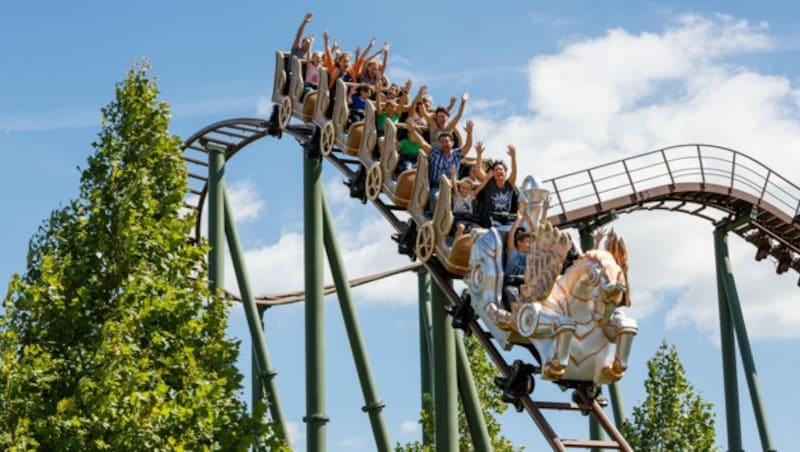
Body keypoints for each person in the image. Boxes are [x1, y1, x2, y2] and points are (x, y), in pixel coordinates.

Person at [408, 119, 474, 211]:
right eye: (442, 142)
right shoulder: (435, 153)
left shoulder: (457, 154)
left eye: (446, 142)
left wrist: (469, 133)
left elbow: (468, 146)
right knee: (436, 197)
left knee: (466, 199)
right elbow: (422, 143)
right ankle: (435, 219)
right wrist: (413, 130)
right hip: (437, 186)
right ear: (439, 144)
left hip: (453, 186)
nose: (444, 144)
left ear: (452, 143)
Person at [474, 141, 519, 228]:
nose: (499, 171)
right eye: (496, 170)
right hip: (490, 220)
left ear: (505, 173)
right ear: (493, 173)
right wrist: (479, 154)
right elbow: (478, 171)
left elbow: (514, 172)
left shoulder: (509, 184)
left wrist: (513, 157)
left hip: (506, 219)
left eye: (501, 169)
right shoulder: (489, 183)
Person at [503, 200, 535, 308]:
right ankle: (516, 315)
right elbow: (511, 236)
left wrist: (529, 219)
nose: (529, 244)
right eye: (527, 242)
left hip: (524, 283)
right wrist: (518, 220)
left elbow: (537, 238)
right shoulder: (513, 252)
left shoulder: (529, 254)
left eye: (530, 242)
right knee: (511, 292)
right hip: (511, 282)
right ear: (519, 242)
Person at [451, 166, 478, 238]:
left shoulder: (470, 197)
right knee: (461, 227)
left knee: (478, 229)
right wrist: (453, 174)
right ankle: (456, 245)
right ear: (460, 188)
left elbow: (480, 187)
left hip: (469, 219)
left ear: (469, 190)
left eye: (467, 188)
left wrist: (487, 178)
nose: (464, 190)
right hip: (459, 219)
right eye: (463, 188)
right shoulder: (457, 196)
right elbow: (454, 185)